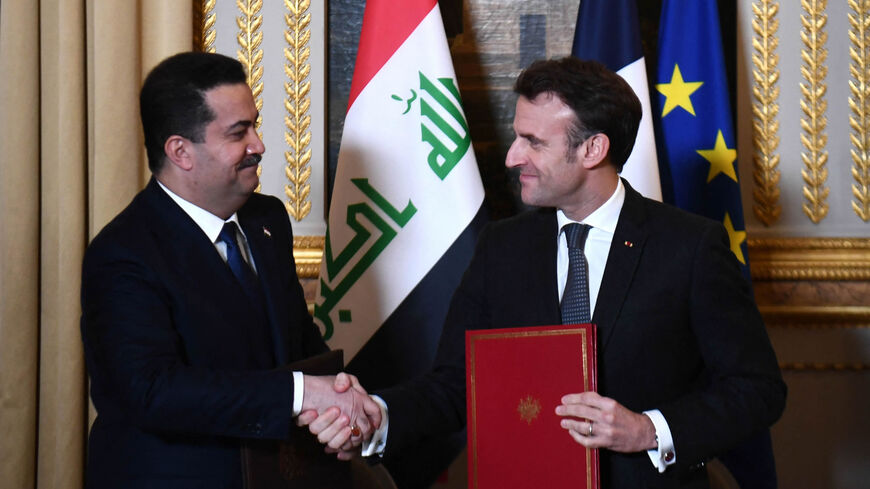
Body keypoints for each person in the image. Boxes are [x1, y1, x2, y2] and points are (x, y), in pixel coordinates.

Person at [311, 57, 787, 488]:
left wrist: (648, 429)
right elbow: (457, 385)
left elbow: (758, 390)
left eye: (532, 142)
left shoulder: (690, 246)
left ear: (593, 148)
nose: (511, 156)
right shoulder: (503, 246)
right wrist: (380, 415)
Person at [80, 51, 379, 489]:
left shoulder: (268, 220)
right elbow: (153, 391)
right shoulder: (123, 253)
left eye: (254, 125)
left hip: (281, 474)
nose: (258, 145)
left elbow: (300, 345)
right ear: (180, 151)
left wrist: (337, 399)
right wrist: (299, 394)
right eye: (239, 133)